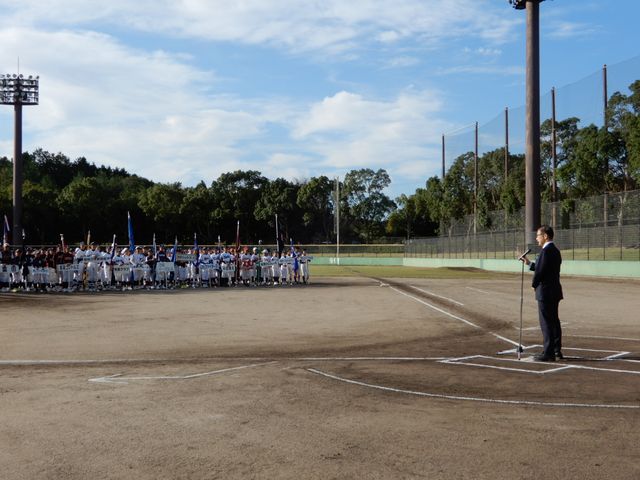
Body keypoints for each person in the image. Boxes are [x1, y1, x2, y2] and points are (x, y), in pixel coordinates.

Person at [521, 225, 563, 362]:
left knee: (546, 322)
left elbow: (540, 272)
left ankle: (548, 352)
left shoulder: (546, 251)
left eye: (538, 235)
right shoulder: (555, 251)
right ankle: (556, 350)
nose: (537, 238)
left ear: (545, 236)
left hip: (545, 291)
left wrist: (534, 284)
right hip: (554, 290)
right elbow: (543, 268)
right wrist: (528, 263)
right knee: (554, 321)